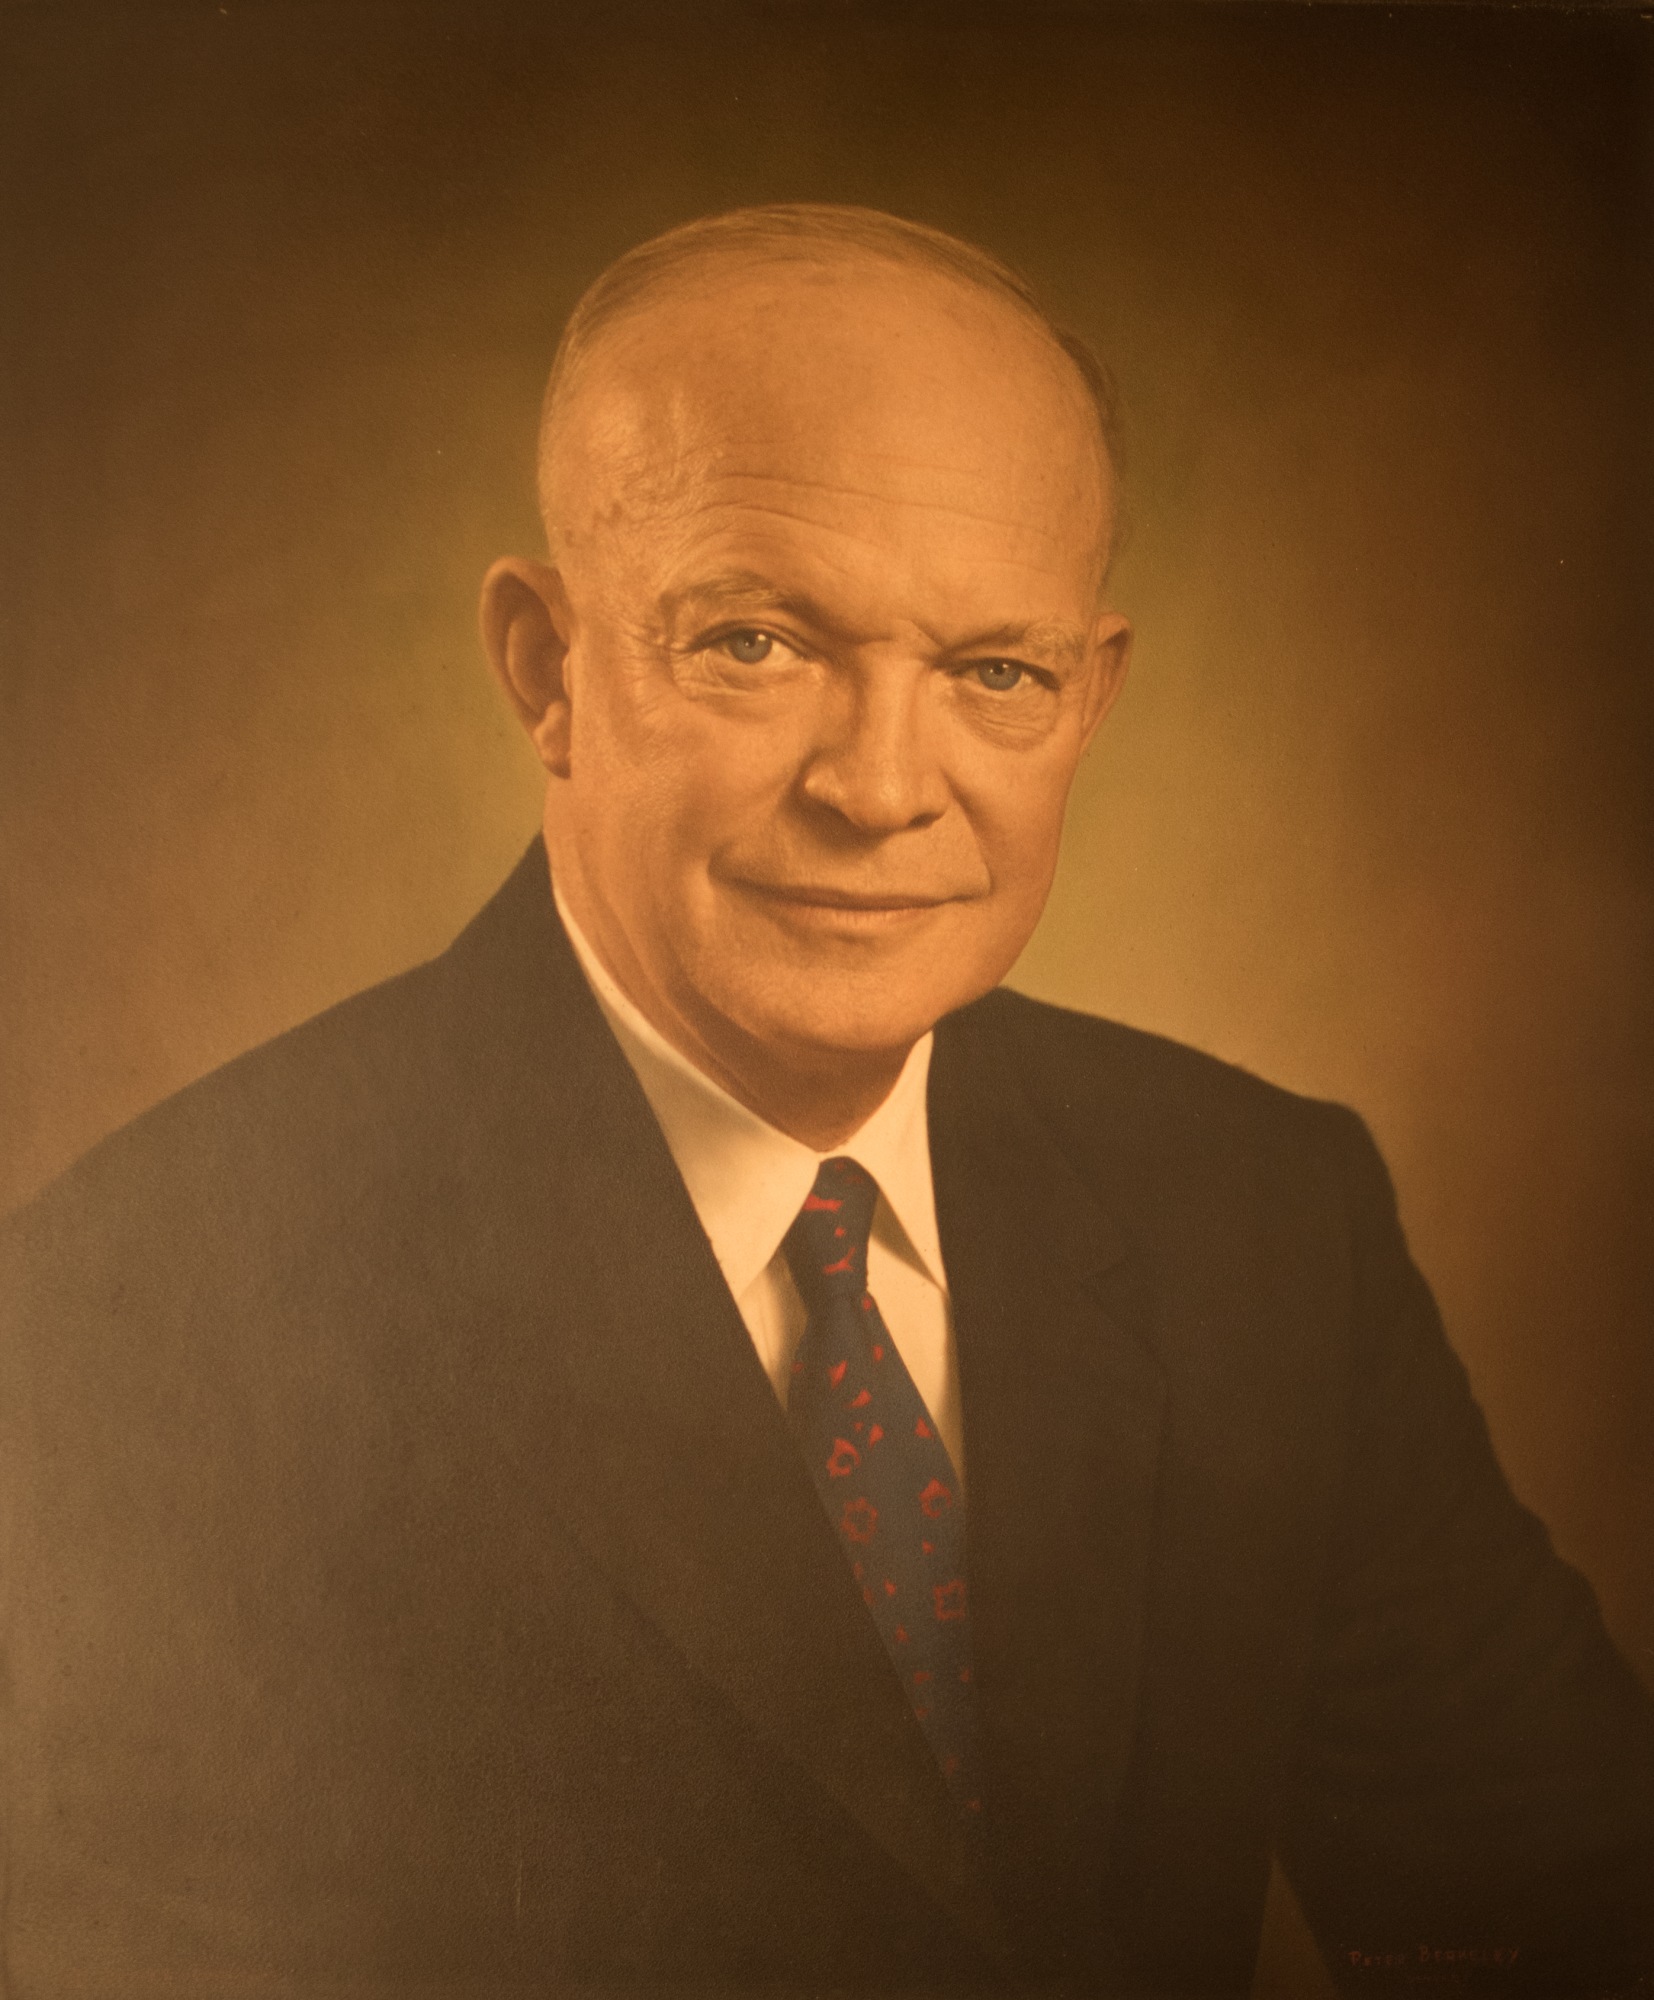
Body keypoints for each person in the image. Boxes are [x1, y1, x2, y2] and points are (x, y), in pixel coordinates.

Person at [1, 204, 1649, 2000]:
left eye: (993, 672)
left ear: (1088, 699)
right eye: (756, 643)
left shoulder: (1260, 1218)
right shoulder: (141, 1317)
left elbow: (1546, 1918)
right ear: (549, 669)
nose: (878, 789)